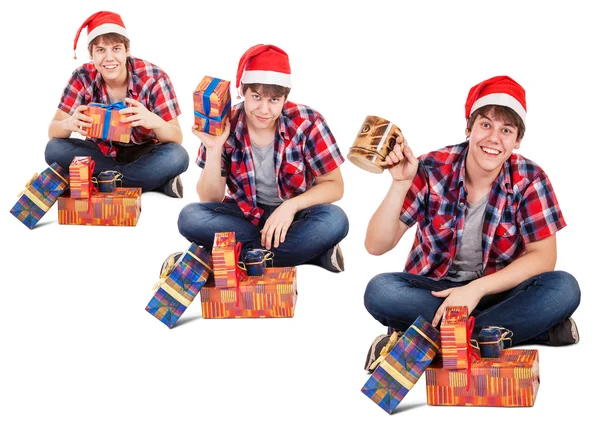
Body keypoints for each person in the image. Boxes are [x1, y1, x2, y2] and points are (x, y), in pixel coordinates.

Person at [363, 76, 580, 370]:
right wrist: (400, 183)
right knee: (381, 291)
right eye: (486, 125)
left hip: (497, 294)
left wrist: (474, 290)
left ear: (517, 141)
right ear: (468, 128)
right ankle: (518, 332)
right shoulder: (432, 167)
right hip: (436, 294)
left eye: (506, 130)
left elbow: (544, 258)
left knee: (564, 288)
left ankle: (423, 342)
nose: (494, 138)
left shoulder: (530, 179)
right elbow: (376, 245)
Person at [176, 44, 348, 272]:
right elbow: (210, 198)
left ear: (285, 98)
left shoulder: (308, 122)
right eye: (256, 97)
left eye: (274, 100)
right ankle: (308, 254)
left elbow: (335, 186)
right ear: (243, 92)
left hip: (295, 218)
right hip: (245, 217)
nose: (264, 109)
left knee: (335, 220)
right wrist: (214, 148)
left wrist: (290, 206)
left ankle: (222, 255)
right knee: (190, 217)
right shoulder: (228, 122)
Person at [45, 11, 188, 198]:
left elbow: (176, 137)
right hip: (100, 153)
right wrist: (69, 123)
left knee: (178, 156)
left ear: (127, 50)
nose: (109, 58)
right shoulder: (81, 77)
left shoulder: (154, 78)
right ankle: (151, 181)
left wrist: (155, 122)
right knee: (53, 149)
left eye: (116, 49)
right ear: (92, 54)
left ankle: (100, 180)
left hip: (142, 152)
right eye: (101, 50)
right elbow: (53, 131)